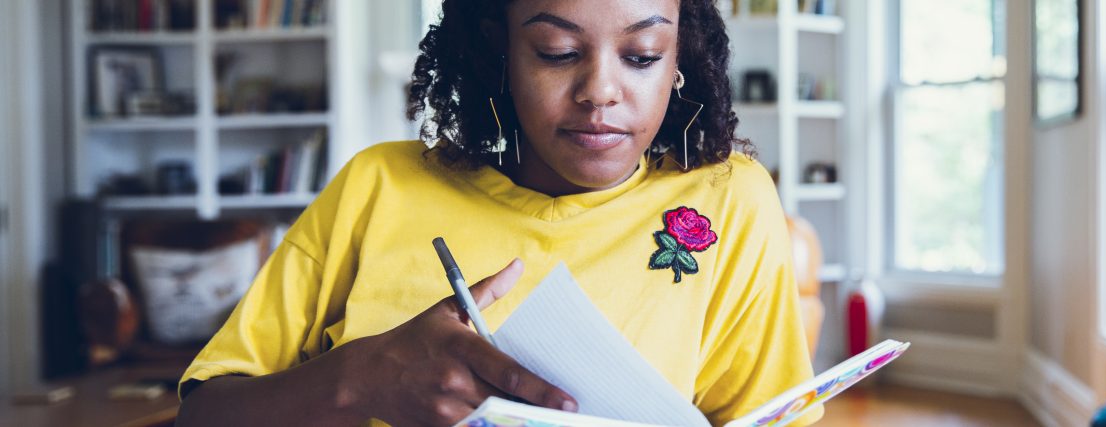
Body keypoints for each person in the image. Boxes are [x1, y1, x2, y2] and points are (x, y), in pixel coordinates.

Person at [175, 0, 821, 425]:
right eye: (557, 51)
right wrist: (362, 377)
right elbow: (201, 414)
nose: (600, 90)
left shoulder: (728, 202)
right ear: (500, 54)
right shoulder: (377, 189)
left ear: (680, 58)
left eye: (643, 55)